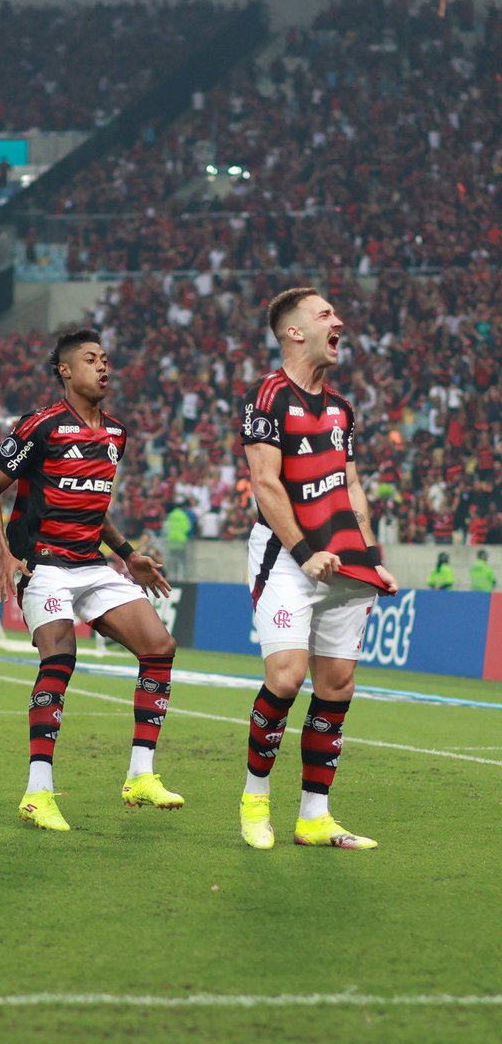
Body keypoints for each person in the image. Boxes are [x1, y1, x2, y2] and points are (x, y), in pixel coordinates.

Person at [0, 327, 181, 833]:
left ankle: (140, 775)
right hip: (44, 565)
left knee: (159, 647)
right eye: (91, 359)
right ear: (66, 370)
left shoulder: (115, 433)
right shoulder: (41, 426)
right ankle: (38, 792)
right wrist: (2, 556)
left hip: (92, 564)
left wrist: (128, 554)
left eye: (106, 359)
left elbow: (94, 504)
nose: (103, 367)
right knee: (60, 658)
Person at [238, 287, 398, 851]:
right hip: (287, 557)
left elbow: (351, 484)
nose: (341, 321)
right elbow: (265, 483)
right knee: (286, 676)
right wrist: (307, 552)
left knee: (337, 685)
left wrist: (372, 558)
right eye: (327, 314)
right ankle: (255, 801)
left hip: (344, 562)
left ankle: (314, 815)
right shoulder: (268, 396)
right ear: (294, 332)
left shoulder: (341, 409)